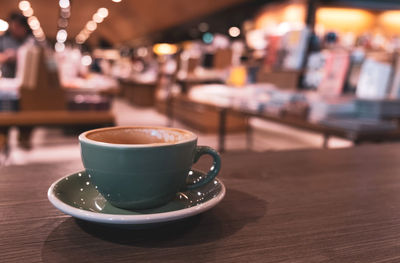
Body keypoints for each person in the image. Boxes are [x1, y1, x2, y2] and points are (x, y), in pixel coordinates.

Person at [0, 12, 33, 78]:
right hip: (7, 78)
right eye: (14, 26)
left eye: (18, 26)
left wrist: (18, 56)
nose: (15, 28)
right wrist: (6, 56)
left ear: (25, 27)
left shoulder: (31, 41)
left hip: (26, 78)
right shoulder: (4, 39)